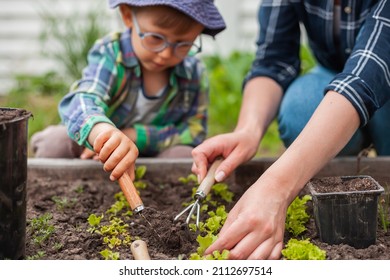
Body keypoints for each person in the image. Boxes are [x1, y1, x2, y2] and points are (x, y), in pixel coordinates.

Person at [192, 0, 390, 259]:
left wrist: (276, 187)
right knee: (300, 111)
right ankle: (347, 147)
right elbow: (273, 61)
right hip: (335, 72)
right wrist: (248, 131)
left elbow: (367, 74)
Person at [31, 0, 225, 181]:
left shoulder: (194, 72)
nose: (166, 54)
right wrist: (102, 134)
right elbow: (83, 98)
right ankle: (77, 186)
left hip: (155, 152)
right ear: (127, 15)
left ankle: (150, 192)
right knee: (54, 144)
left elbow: (194, 132)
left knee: (185, 157)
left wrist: (134, 135)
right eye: (155, 38)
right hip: (95, 145)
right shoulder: (111, 53)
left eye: (183, 44)